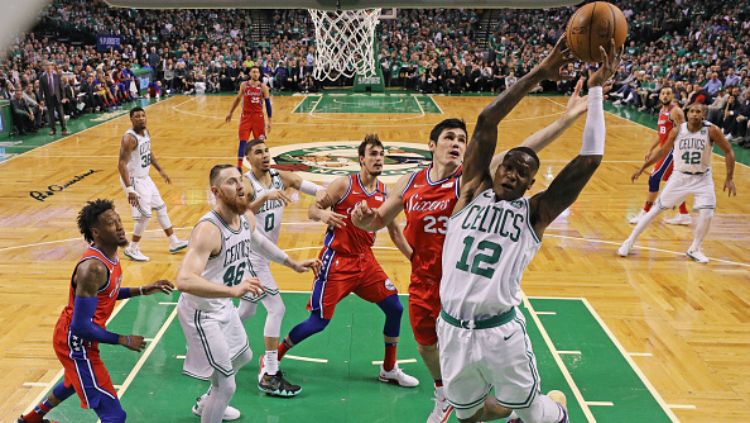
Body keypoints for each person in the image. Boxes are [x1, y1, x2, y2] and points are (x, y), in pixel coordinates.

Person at [351, 79, 590, 423]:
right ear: (431, 144)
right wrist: (364, 219)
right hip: (424, 281)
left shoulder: (473, 180)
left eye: (462, 139)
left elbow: (524, 150)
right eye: (449, 137)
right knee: (425, 347)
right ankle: (445, 393)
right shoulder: (411, 181)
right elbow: (378, 222)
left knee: (480, 382)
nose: (456, 143)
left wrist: (566, 119)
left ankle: (514, 404)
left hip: (468, 284)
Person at [437, 39, 620, 423]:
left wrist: (597, 90)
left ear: (530, 183)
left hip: (501, 333)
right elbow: (488, 121)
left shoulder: (533, 214)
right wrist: (539, 72)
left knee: (532, 412)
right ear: (497, 167)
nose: (514, 173)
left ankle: (558, 412)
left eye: (524, 172)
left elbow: (590, 159)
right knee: (466, 414)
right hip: (452, 328)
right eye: (510, 165)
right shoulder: (470, 192)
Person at [176, 164, 319, 422]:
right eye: (231, 182)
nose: (240, 185)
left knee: (244, 355)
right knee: (227, 386)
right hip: (200, 313)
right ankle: (212, 405)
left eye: (240, 180)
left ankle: (207, 403)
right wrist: (233, 290)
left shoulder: (245, 219)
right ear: (216, 192)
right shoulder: (208, 229)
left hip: (222, 306)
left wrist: (293, 263)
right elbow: (184, 280)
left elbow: (261, 243)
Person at [276, 135, 419, 391]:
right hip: (336, 262)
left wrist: (414, 259)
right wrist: (322, 213)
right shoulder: (343, 185)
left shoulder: (385, 192)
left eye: (381, 155)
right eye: (373, 154)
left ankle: (388, 369)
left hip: (366, 262)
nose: (378, 159)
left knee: (395, 308)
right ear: (361, 159)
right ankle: (273, 360)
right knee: (318, 322)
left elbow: (395, 231)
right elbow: (312, 210)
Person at [17, 199, 174, 423]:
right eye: (111, 223)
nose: (120, 226)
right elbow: (80, 327)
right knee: (114, 416)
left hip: (79, 335)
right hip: (75, 341)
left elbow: (107, 293)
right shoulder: (93, 268)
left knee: (74, 380)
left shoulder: (111, 257)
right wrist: (122, 339)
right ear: (96, 232)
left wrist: (142, 289)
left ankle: (31, 419)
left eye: (119, 220)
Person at [237, 138, 323, 396]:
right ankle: (270, 373)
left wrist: (325, 199)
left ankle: (214, 337)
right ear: (248, 159)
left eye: (266, 151)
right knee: (277, 308)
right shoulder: (245, 184)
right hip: (250, 255)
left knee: (248, 310)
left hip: (264, 255)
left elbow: (312, 188)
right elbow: (241, 217)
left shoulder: (280, 177)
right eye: (258, 152)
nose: (264, 155)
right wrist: (264, 198)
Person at [618, 103, 737, 263]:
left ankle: (695, 248)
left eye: (698, 112)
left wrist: (729, 178)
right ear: (687, 114)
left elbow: (729, 151)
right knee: (655, 211)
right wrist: (642, 168)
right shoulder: (678, 130)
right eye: (692, 111)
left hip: (703, 178)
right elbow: (663, 150)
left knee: (707, 213)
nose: (694, 114)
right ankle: (629, 241)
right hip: (679, 177)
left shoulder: (711, 130)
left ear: (703, 115)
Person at [118, 106, 188, 262]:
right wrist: (130, 189)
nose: (141, 118)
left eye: (143, 115)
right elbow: (121, 164)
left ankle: (174, 242)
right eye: (137, 116)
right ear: (131, 119)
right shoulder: (129, 138)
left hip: (145, 178)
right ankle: (132, 248)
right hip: (133, 179)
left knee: (161, 207)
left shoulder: (146, 132)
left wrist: (160, 170)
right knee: (145, 215)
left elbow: (148, 153)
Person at [628, 87, 690, 225]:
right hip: (665, 149)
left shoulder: (676, 111)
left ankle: (645, 213)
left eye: (668, 93)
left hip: (673, 150)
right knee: (673, 182)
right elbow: (662, 134)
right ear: (660, 96)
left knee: (654, 178)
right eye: (663, 93)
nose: (665, 95)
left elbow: (685, 132)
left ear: (673, 95)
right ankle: (684, 214)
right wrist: (651, 148)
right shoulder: (662, 110)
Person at [225, 66, 272, 171]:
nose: (255, 74)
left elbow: (268, 105)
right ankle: (239, 167)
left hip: (258, 118)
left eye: (257, 72)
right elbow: (237, 99)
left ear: (260, 74)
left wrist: (269, 121)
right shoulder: (244, 85)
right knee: (243, 142)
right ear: (250, 74)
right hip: (245, 117)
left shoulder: (264, 87)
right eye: (253, 72)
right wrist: (230, 113)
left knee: (260, 144)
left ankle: (262, 166)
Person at [39, 61, 68, 136]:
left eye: (50, 66)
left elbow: (61, 87)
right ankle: (53, 129)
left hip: (57, 98)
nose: (49, 68)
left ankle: (64, 129)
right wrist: (41, 99)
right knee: (51, 115)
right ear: (45, 68)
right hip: (49, 98)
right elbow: (41, 90)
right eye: (47, 67)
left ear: (52, 67)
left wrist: (64, 97)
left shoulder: (57, 75)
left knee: (61, 114)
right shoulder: (42, 77)